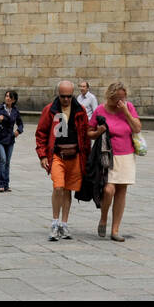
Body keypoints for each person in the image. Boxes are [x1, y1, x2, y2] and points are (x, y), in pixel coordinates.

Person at [35, 80, 89, 242]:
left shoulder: (81, 110)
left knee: (68, 190)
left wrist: (87, 157)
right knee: (58, 186)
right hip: (58, 154)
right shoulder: (50, 110)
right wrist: (43, 155)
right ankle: (54, 222)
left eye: (69, 96)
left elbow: (85, 135)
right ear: (58, 94)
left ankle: (64, 224)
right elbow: (41, 133)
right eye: (62, 96)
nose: (65, 99)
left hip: (75, 156)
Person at [90, 81, 141, 241]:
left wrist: (126, 111)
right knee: (108, 190)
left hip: (126, 155)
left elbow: (137, 128)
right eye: (117, 99)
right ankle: (104, 217)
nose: (120, 101)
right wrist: (98, 132)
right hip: (107, 156)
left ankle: (115, 230)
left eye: (122, 98)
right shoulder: (100, 110)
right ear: (109, 97)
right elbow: (88, 132)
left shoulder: (128, 107)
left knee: (121, 192)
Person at [0, 90, 24, 192]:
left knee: (7, 162)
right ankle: (1, 184)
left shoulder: (15, 111)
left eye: (10, 97)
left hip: (10, 140)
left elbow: (20, 124)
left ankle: (6, 184)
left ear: (14, 100)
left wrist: (18, 131)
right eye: (6, 96)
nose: (7, 98)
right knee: (2, 159)